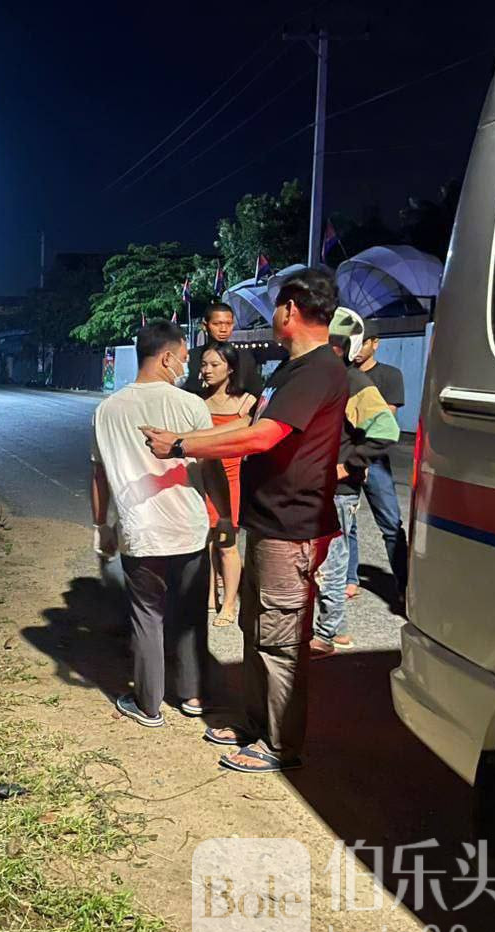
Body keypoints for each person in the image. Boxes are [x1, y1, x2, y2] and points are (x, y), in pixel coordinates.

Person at [141, 268, 348, 774]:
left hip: (291, 524)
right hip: (268, 520)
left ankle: (281, 745)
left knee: (279, 640)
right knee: (257, 631)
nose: (273, 315)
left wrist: (183, 445)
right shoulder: (290, 369)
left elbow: (262, 437)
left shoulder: (321, 368)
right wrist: (189, 432)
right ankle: (255, 724)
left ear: (292, 310)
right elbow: (247, 422)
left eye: (277, 306)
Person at [91, 321, 231, 728]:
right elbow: (213, 464)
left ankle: (148, 705)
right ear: (166, 357)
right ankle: (192, 696)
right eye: (184, 359)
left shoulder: (107, 411)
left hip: (141, 531)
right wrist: (222, 515)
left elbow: (99, 477)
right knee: (189, 616)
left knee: (147, 617)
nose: (186, 367)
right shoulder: (190, 405)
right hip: (188, 529)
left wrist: (103, 527)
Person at [312, 310, 401, 655]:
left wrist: (348, 465)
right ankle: (336, 629)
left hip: (339, 492)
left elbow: (386, 431)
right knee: (323, 563)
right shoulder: (324, 379)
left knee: (332, 564)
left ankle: (328, 634)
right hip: (319, 488)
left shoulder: (353, 382)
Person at [346, 318, 409, 601]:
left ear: (375, 344)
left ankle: (404, 582)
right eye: (354, 342)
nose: (357, 349)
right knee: (347, 522)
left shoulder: (390, 375)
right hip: (346, 456)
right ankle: (349, 579)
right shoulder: (343, 374)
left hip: (375, 459)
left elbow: (386, 418)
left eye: (364, 342)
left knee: (391, 524)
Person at [198, 341, 257, 627]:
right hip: (202, 479)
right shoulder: (197, 403)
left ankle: (230, 603)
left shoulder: (247, 403)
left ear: (230, 368)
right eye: (204, 364)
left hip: (232, 479)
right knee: (206, 542)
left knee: (227, 544)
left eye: (214, 365)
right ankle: (209, 597)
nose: (207, 370)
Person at [186, 303, 266, 397]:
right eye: (217, 324)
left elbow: (255, 392)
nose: (223, 329)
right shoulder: (191, 357)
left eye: (228, 324)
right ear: (205, 326)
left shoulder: (244, 357)